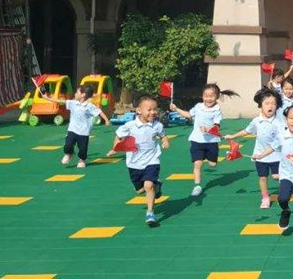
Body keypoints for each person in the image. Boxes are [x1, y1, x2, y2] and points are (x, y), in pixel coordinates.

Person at [254, 104, 293, 233]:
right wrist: (261, 155)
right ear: (286, 119)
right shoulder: (282, 136)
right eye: (291, 118)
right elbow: (272, 147)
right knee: (282, 198)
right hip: (286, 174)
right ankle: (286, 210)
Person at [107, 95, 169, 227]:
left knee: (148, 186)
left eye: (155, 109)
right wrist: (115, 148)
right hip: (134, 163)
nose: (153, 112)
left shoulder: (157, 125)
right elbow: (118, 135)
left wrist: (165, 141)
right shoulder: (130, 126)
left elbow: (163, 135)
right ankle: (157, 185)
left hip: (152, 160)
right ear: (139, 110)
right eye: (149, 109)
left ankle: (150, 212)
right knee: (140, 190)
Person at [169, 83, 239, 197]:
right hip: (197, 140)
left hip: (211, 141)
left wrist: (208, 128)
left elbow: (216, 127)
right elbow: (188, 115)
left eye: (211, 96)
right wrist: (176, 109)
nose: (208, 98)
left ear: (216, 97)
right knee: (197, 164)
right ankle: (197, 186)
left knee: (212, 164)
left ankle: (208, 157)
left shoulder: (217, 110)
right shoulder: (198, 107)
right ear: (202, 96)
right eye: (206, 96)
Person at [224, 88, 285, 209]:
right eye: (267, 103)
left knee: (277, 176)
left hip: (276, 155)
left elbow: (282, 140)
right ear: (260, 105)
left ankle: (283, 194)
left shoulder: (279, 123)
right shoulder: (256, 121)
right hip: (259, 156)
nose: (270, 106)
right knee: (262, 178)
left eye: (273, 103)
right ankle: (265, 198)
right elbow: (247, 131)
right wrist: (233, 136)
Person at [43, 84, 109, 168]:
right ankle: (69, 154)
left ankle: (82, 160)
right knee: (68, 145)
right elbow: (59, 101)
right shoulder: (72, 103)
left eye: (77, 92)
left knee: (82, 150)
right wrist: (47, 98)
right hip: (72, 130)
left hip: (84, 132)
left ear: (83, 94)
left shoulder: (89, 106)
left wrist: (106, 120)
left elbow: (99, 112)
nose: (75, 94)